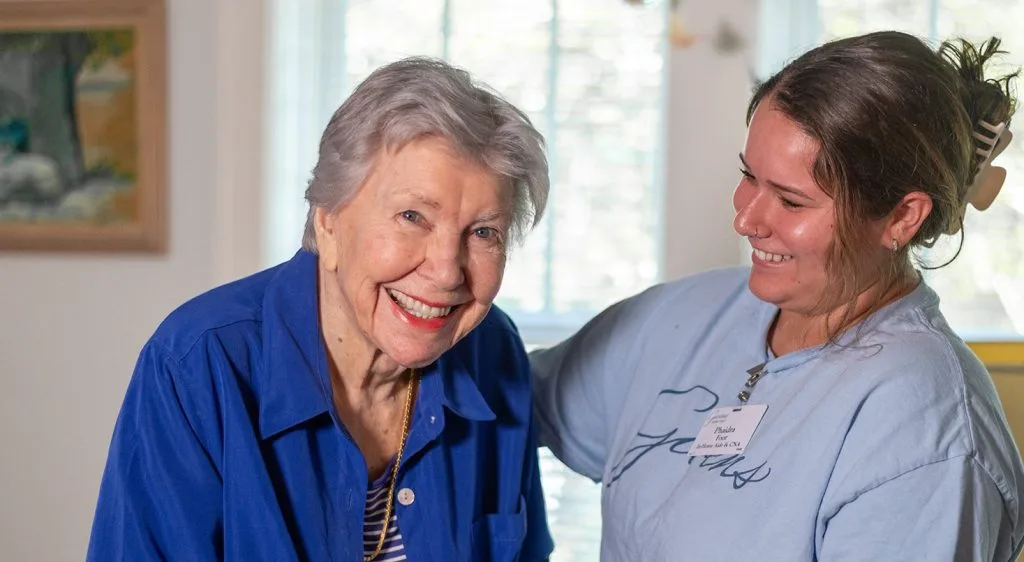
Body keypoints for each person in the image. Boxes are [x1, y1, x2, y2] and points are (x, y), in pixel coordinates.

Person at [531, 31, 1024, 561]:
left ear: (903, 217)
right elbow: (501, 398)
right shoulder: (684, 316)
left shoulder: (928, 438)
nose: (745, 219)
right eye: (749, 176)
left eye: (791, 201)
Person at [88, 57, 554, 561]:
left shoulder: (495, 354)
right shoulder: (197, 364)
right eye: (412, 217)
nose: (447, 271)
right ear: (328, 222)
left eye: (483, 232)